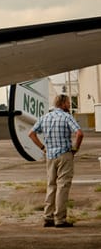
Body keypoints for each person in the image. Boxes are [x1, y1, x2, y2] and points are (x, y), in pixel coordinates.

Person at [28, 94, 84, 228]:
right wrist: (75, 148)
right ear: (63, 103)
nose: (70, 105)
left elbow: (31, 133)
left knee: (51, 185)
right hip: (64, 154)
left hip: (50, 155)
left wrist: (43, 147)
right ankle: (60, 218)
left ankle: (48, 217)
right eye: (69, 103)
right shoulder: (66, 117)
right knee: (63, 186)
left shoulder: (45, 117)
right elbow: (79, 133)